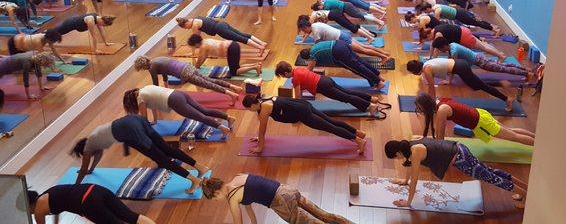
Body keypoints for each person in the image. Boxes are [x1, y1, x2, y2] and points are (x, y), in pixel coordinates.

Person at [71, 114, 207, 193]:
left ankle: (194, 180)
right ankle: (200, 167)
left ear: (83, 150)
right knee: (165, 147)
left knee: (161, 159)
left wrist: (75, 187)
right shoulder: (95, 137)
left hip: (130, 129)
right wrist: (92, 170)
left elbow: (83, 169)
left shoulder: (89, 147)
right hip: (135, 119)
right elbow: (98, 156)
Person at [384, 137, 528, 208]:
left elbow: (415, 178)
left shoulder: (415, 152)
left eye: (395, 157)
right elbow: (410, 167)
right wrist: (404, 181)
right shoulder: (410, 145)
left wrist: (408, 202)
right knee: (490, 172)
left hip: (460, 158)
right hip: (459, 149)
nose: (397, 159)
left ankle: (525, 195)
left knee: (490, 177)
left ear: (397, 152)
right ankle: (526, 188)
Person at [203, 173, 355, 224]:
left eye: (214, 199)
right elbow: (248, 205)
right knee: (324, 215)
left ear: (216, 192)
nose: (217, 201)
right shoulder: (238, 177)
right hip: (287, 190)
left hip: (281, 202)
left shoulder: (231, 199)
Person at [242, 94, 368, 154]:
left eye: (249, 109)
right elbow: (261, 125)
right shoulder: (263, 100)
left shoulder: (265, 109)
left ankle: (359, 141)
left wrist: (260, 147)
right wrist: (259, 138)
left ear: (253, 105)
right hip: (304, 105)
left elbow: (262, 129)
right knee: (331, 122)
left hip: (303, 113)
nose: (249, 111)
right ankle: (358, 133)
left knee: (330, 128)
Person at [413, 92, 535, 145]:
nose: (420, 111)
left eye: (420, 108)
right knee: (511, 131)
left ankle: (539, 146)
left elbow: (440, 138)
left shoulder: (441, 111)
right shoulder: (439, 100)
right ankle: (538, 140)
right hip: (481, 114)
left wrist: (425, 143)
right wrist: (424, 138)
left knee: (514, 137)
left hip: (481, 123)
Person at [406, 58, 515, 111]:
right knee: (476, 86)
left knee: (480, 86)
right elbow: (449, 66)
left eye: (412, 73)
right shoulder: (427, 64)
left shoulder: (427, 69)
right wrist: (448, 81)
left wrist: (431, 104)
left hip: (460, 68)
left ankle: (506, 99)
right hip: (459, 65)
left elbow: (431, 86)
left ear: (415, 70)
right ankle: (500, 83)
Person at [275, 61, 381, 114]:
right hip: (326, 80)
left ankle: (370, 106)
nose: (285, 78)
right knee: (347, 92)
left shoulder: (295, 79)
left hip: (323, 86)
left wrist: (291, 106)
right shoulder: (298, 69)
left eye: (283, 76)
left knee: (346, 98)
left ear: (285, 72)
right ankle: (371, 98)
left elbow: (298, 97)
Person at [123, 86, 234, 135]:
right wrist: (155, 121)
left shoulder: (140, 98)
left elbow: (144, 119)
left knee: (199, 117)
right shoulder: (145, 89)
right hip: (179, 94)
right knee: (204, 110)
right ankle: (228, 118)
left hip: (174, 101)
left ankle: (222, 128)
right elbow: (153, 106)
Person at [133, 56, 242, 105]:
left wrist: (156, 97)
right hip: (187, 66)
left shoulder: (152, 68)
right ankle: (233, 87)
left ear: (142, 66)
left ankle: (231, 94)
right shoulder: (156, 60)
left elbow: (155, 85)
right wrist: (166, 89)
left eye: (141, 69)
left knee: (207, 85)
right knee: (209, 80)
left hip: (184, 73)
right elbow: (164, 73)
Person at [27, 185, 157, 224]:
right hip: (96, 189)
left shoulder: (39, 210)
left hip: (88, 203)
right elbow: (56, 209)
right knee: (130, 216)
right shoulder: (47, 195)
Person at [432, 38, 535, 80]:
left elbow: (453, 66)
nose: (440, 51)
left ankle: (527, 74)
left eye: (440, 49)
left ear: (444, 46)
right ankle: (525, 70)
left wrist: (449, 80)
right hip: (480, 57)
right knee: (502, 66)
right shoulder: (452, 45)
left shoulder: (453, 51)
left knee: (503, 69)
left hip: (481, 61)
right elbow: (450, 59)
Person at [299, 40, 386, 90]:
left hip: (338, 52)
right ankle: (378, 76)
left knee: (358, 68)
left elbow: (309, 71)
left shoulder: (312, 55)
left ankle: (378, 82)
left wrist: (301, 80)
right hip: (341, 43)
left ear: (307, 57)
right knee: (360, 61)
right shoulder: (314, 47)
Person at [297, 20, 390, 62]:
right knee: (364, 46)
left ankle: (383, 57)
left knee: (363, 50)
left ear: (305, 27)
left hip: (341, 39)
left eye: (303, 30)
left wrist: (309, 51)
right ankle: (385, 54)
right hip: (342, 34)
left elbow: (318, 46)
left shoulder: (315, 31)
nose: (304, 32)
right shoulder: (315, 25)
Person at [187, 34, 263, 77]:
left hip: (231, 49)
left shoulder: (203, 47)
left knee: (234, 72)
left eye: (194, 46)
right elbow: (204, 57)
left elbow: (200, 59)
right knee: (237, 67)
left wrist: (196, 67)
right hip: (234, 45)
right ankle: (256, 64)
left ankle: (255, 67)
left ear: (196, 43)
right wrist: (198, 66)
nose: (195, 48)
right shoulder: (206, 41)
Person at [176, 17, 267, 51]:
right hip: (222, 24)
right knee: (241, 34)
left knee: (240, 38)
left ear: (185, 23)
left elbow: (195, 40)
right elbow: (198, 38)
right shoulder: (196, 19)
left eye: (185, 27)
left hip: (220, 29)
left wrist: (193, 52)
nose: (186, 29)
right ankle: (262, 43)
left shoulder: (194, 25)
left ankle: (260, 47)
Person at [421, 24, 505, 60]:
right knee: (483, 45)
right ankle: (500, 54)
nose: (430, 41)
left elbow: (436, 49)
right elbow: (433, 45)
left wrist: (433, 60)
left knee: (483, 48)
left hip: (464, 37)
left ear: (428, 35)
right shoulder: (435, 29)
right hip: (463, 30)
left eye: (428, 39)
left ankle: (500, 55)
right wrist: (429, 56)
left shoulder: (438, 34)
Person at [417, 3, 500, 36]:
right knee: (477, 22)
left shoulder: (437, 11)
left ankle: (494, 30)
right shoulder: (435, 5)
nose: (426, 12)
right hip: (459, 13)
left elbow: (437, 22)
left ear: (428, 8)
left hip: (460, 15)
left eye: (425, 10)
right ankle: (492, 27)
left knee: (476, 23)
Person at [51, 14, 116, 54]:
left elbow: (102, 31)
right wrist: (95, 50)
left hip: (74, 25)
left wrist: (106, 42)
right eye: (104, 25)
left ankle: (45, 34)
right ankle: (43, 35)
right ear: (102, 21)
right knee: (54, 33)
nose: (103, 26)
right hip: (69, 24)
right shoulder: (91, 21)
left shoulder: (99, 18)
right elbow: (93, 36)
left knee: (56, 33)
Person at [311, 0, 385, 30]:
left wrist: (323, 23)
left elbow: (328, 15)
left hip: (347, 7)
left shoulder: (326, 6)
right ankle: (378, 21)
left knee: (363, 15)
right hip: (346, 6)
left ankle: (380, 22)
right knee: (361, 15)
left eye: (319, 9)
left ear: (319, 6)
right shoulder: (325, 1)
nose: (321, 10)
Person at [305, 11, 376, 42]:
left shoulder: (312, 17)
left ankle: (369, 37)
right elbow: (324, 21)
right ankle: (370, 35)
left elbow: (310, 29)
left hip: (335, 15)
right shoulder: (315, 14)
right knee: (352, 26)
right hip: (335, 13)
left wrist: (305, 36)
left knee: (352, 28)